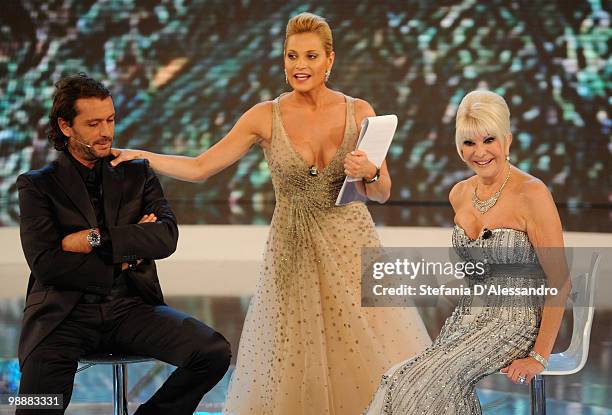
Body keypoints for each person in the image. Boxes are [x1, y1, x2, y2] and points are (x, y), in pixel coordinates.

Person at [111, 12, 430, 415]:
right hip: (293, 252)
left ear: (330, 60)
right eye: (292, 56)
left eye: (311, 56)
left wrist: (370, 173)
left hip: (352, 247)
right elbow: (201, 167)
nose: (300, 66)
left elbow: (382, 193)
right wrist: (139, 155)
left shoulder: (361, 112)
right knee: (296, 360)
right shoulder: (265, 115)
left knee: (366, 356)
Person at [16, 73, 231, 415]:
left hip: (129, 307)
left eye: (111, 120)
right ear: (66, 126)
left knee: (213, 352)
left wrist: (97, 239)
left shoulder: (138, 173)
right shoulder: (37, 185)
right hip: (63, 315)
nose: (106, 131)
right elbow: (46, 264)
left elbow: (165, 237)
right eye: (94, 123)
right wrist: (128, 252)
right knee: (31, 406)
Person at [364, 90, 571, 414]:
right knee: (398, 377)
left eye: (489, 140)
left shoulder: (532, 193)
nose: (480, 152)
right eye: (469, 143)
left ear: (508, 140)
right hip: (467, 318)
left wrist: (539, 356)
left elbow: (560, 281)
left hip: (514, 322)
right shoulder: (459, 194)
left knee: (431, 381)